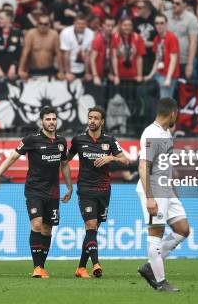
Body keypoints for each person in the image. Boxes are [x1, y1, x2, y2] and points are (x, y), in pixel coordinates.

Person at [0, 106, 73, 278]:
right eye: (48, 119)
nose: (51, 122)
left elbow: (64, 164)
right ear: (41, 121)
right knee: (36, 224)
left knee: (47, 229)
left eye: (54, 119)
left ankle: (42, 266)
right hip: (34, 190)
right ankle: (36, 267)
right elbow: (12, 157)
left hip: (53, 191)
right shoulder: (31, 139)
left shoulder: (61, 142)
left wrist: (70, 186)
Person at [136, 98, 190, 293]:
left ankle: (151, 266)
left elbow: (165, 166)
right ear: (173, 113)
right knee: (156, 233)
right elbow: (143, 166)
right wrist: (150, 197)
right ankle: (160, 282)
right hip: (154, 191)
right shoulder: (151, 134)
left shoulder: (166, 132)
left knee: (183, 229)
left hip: (166, 190)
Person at [67, 106, 128, 278]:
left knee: (92, 231)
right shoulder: (78, 140)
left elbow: (125, 160)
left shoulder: (109, 140)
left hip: (104, 191)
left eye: (96, 118)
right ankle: (96, 264)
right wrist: (68, 184)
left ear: (102, 121)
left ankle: (80, 267)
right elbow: (65, 160)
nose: (92, 121)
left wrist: (111, 157)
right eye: (90, 117)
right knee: (91, 225)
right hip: (86, 190)